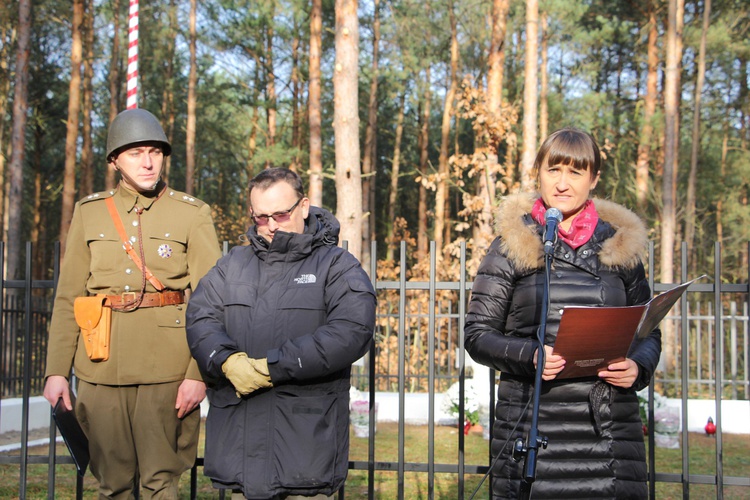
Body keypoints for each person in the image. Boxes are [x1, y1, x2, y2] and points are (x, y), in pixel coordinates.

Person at [464, 128, 661, 499]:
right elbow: (477, 334)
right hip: (532, 422)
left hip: (608, 432)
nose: (563, 184)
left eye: (576, 172)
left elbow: (647, 332)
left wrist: (638, 367)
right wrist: (530, 355)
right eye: (554, 170)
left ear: (593, 179)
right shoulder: (512, 244)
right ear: (538, 172)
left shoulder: (621, 246)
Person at [43, 108, 222, 499]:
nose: (147, 161)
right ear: (114, 161)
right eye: (136, 152)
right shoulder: (90, 213)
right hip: (100, 368)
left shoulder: (191, 213)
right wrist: (56, 370)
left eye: (155, 152)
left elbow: (213, 301)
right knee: (112, 484)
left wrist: (198, 373)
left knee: (161, 482)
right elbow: (69, 297)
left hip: (169, 371)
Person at [185, 167, 376, 499]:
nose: (271, 226)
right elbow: (201, 318)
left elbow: (351, 331)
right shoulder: (232, 265)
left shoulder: (336, 265)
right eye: (260, 217)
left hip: (304, 450)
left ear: (303, 206)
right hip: (240, 447)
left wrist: (273, 367)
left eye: (280, 214)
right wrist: (226, 361)